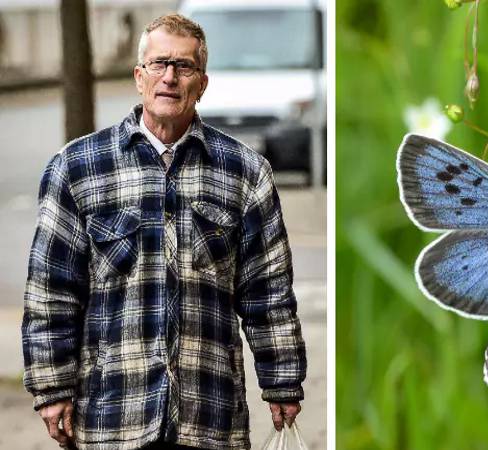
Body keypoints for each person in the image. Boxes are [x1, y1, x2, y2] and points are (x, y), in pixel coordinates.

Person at [22, 14, 306, 450]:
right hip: (112, 418)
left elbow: (267, 292)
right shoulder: (77, 168)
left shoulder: (246, 173)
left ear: (203, 83)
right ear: (139, 77)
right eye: (159, 64)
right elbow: (52, 291)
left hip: (209, 417)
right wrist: (52, 389)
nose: (170, 77)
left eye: (184, 66)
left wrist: (282, 381)